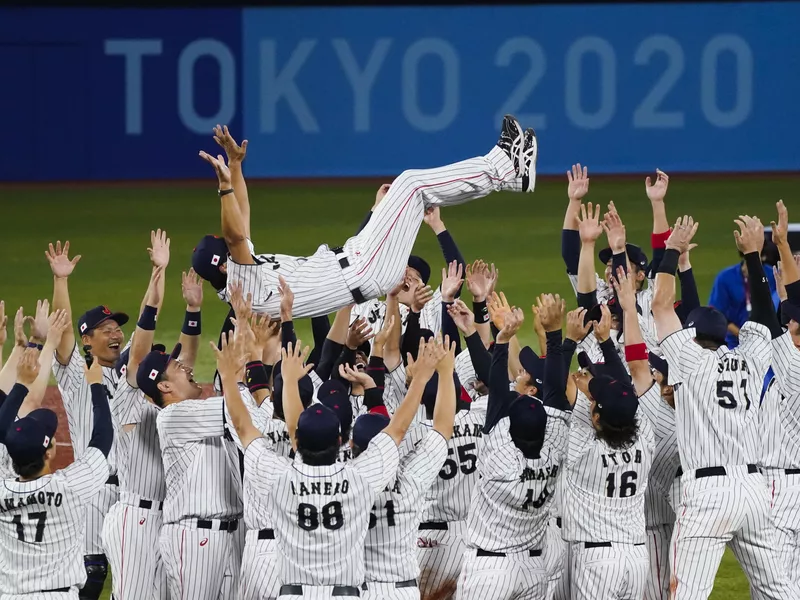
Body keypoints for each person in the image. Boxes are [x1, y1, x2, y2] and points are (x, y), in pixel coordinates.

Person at [193, 116, 537, 319]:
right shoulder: (241, 285)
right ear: (223, 265)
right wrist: (224, 187)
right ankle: (503, 165)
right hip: (362, 271)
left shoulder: (238, 270)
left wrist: (235, 167)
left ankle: (512, 176)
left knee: (417, 193)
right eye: (224, 248)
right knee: (412, 184)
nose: (230, 240)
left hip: (358, 261)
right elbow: (236, 234)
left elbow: (243, 218)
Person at [217, 321, 446, 599]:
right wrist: (421, 379)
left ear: (296, 443)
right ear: (340, 442)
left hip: (294, 595)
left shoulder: (281, 476)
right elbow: (396, 429)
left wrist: (230, 377)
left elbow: (244, 428)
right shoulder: (358, 478)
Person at [651, 214, 798, 599]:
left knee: (687, 593)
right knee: (778, 590)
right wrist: (753, 256)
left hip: (707, 494)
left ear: (693, 336)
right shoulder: (750, 358)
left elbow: (660, 305)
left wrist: (671, 252)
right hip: (753, 490)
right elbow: (767, 320)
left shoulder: (688, 360)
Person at [47, 234, 169, 599]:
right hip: (95, 491)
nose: (116, 333)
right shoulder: (74, 375)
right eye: (106, 329)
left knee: (136, 580)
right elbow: (64, 329)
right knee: (92, 574)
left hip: (132, 493)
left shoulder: (128, 372)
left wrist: (158, 271)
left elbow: (149, 321)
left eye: (117, 328)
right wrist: (61, 279)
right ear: (88, 341)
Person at [457, 297, 571, 600]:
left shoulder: (500, 454)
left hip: (489, 572)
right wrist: (555, 334)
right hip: (533, 569)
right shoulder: (554, 449)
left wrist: (503, 338)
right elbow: (556, 397)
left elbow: (496, 393)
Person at [562, 288, 654, 599]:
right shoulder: (644, 439)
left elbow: (560, 389)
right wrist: (605, 342)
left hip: (598, 560)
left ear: (597, 417)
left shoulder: (583, 447)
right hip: (637, 557)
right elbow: (626, 393)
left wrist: (569, 341)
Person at [0, 347, 113, 599]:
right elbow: (103, 438)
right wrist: (97, 385)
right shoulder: (69, 487)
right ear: (50, 452)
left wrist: (20, 384)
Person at [142, 334, 244, 599]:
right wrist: (235, 373)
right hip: (194, 538)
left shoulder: (197, 416)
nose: (187, 367)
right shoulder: (173, 416)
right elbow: (238, 410)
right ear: (164, 387)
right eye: (177, 367)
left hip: (228, 536)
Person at [708, 251, 778, 348]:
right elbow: (718, 313)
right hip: (734, 342)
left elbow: (779, 307)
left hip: (767, 341)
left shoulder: (773, 275)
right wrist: (742, 335)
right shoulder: (725, 278)